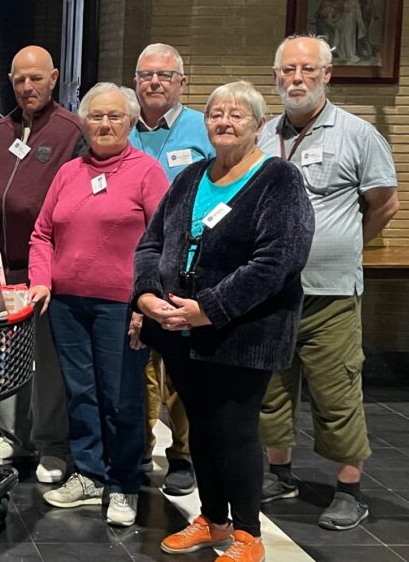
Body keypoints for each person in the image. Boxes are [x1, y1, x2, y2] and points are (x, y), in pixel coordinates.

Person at [134, 81, 315, 562]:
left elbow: (278, 261)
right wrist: (148, 295)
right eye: (216, 113)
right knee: (200, 429)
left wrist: (210, 307)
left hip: (243, 332)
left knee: (233, 429)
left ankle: (249, 535)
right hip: (181, 331)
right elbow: (152, 245)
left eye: (237, 114)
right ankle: (213, 520)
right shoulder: (191, 177)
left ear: (258, 124)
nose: (225, 122)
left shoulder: (279, 180)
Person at [258, 35, 400, 531]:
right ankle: (279, 474)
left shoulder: (358, 135)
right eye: (288, 71)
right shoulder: (261, 136)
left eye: (307, 70)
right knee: (272, 392)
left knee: (336, 392)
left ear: (327, 75)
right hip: (272, 295)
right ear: (275, 77)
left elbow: (384, 204)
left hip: (331, 294)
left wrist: (344, 246)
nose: (297, 79)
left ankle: (349, 490)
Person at [29, 82, 168, 527]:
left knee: (122, 397)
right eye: (95, 117)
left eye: (114, 117)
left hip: (122, 307)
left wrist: (147, 301)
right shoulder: (69, 172)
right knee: (81, 392)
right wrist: (41, 281)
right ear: (83, 123)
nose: (104, 124)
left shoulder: (146, 172)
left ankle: (124, 483)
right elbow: (42, 234)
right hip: (67, 304)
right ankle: (89, 473)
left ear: (129, 122)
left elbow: (163, 242)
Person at [0, 45, 80, 483]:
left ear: (54, 77)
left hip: (45, 270)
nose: (27, 87)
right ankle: (11, 437)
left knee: (46, 362)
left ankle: (52, 444)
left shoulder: (72, 131)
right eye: (19, 80)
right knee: (0, 356)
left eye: (36, 78)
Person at [129, 42, 215, 496]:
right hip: (136, 264)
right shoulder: (123, 126)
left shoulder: (204, 129)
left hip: (188, 266)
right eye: (146, 75)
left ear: (182, 81)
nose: (155, 83)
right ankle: (141, 449)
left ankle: (182, 455)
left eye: (165, 75)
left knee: (181, 367)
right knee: (140, 362)